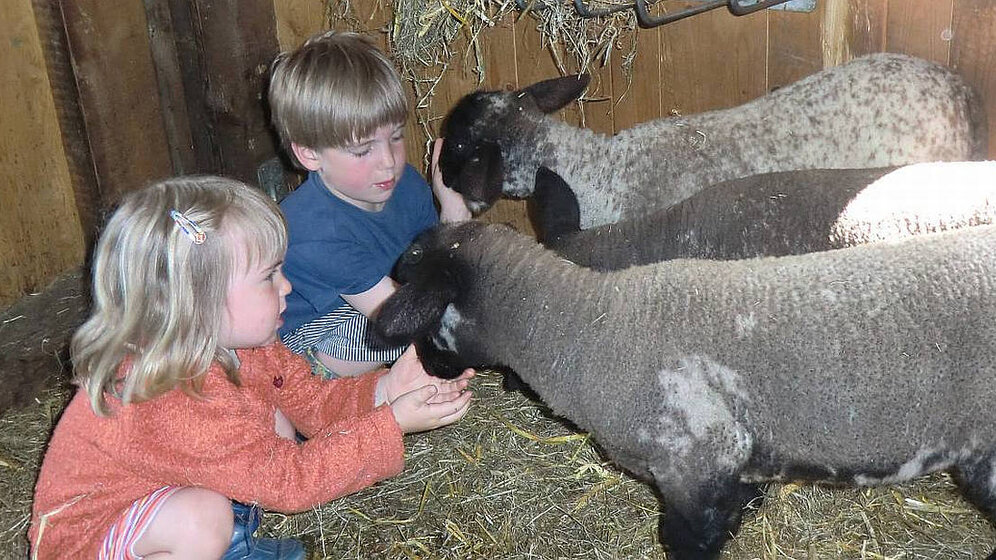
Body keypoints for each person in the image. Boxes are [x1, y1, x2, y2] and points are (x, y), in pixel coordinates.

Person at [28, 176, 474, 559]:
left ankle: (229, 537)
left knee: (272, 421)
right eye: (268, 275)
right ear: (197, 304)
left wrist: (388, 390)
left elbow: (311, 400)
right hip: (87, 542)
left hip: (156, 494)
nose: (287, 286)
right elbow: (289, 480)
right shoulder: (171, 399)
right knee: (202, 518)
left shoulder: (246, 344)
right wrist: (390, 425)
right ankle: (218, 540)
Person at [268, 30, 472, 378]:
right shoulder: (311, 230)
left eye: (395, 137)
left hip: (373, 303)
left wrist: (454, 209)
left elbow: (435, 261)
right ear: (310, 154)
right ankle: (355, 396)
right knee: (401, 327)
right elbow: (401, 313)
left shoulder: (403, 183)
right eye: (363, 150)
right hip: (301, 351)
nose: (388, 162)